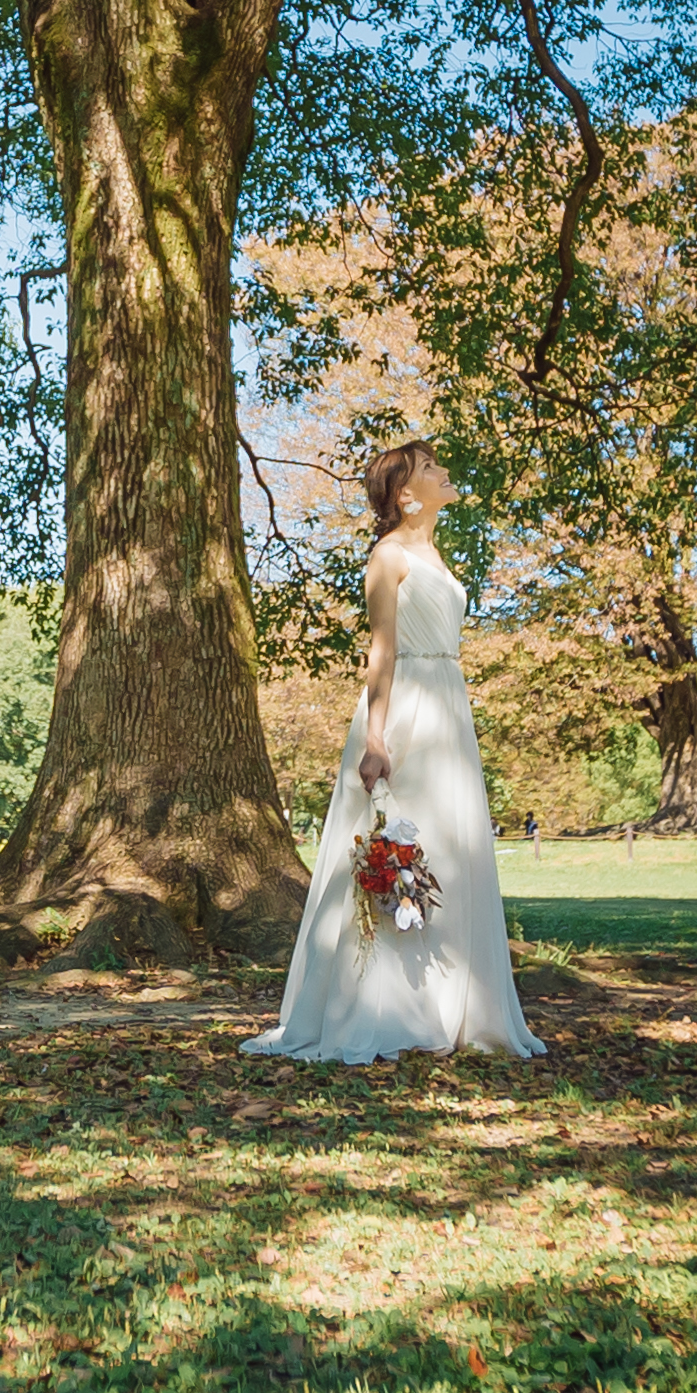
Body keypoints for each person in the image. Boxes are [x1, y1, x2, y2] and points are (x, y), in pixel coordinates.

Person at [249, 436, 544, 1063]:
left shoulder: (434, 554)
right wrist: (377, 737)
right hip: (406, 707)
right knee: (399, 846)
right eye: (430, 467)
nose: (444, 471)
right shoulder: (388, 556)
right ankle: (388, 1009)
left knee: (449, 846)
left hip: (448, 707)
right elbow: (380, 650)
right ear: (406, 496)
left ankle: (454, 1007)